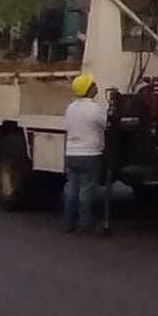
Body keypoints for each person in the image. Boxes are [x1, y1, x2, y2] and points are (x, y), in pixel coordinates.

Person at [62, 74, 107, 235]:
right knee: (86, 190)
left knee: (72, 189)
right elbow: (105, 124)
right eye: (92, 84)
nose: (96, 86)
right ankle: (85, 223)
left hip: (71, 153)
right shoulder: (95, 108)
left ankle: (69, 223)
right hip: (90, 154)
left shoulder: (70, 108)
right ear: (88, 89)